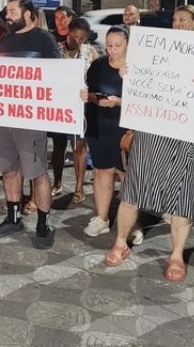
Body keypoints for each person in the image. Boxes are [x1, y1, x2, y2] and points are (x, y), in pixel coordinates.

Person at [104, 4, 194, 281]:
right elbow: (137, 95)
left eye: (184, 19)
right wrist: (130, 79)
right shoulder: (156, 53)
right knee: (132, 191)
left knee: (181, 199)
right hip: (150, 133)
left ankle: (176, 255)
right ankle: (121, 242)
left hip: (184, 141)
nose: (178, 23)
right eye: (175, 18)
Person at [0, 0, 60, 249]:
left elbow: (58, 75)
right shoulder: (4, 41)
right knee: (9, 169)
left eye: (13, 11)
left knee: (37, 171)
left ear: (28, 14)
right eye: (7, 12)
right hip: (4, 116)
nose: (8, 16)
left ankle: (43, 224)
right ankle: (13, 218)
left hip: (32, 117)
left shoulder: (44, 39)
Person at [80, 26, 128, 237]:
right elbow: (88, 89)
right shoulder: (98, 65)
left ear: (128, 45)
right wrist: (88, 96)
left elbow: (143, 101)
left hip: (124, 128)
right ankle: (102, 218)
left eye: (118, 45)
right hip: (98, 124)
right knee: (101, 172)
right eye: (109, 45)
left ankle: (131, 224)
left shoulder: (135, 69)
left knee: (126, 175)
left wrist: (118, 102)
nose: (112, 50)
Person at [51, 18, 98, 202]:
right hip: (60, 104)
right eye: (74, 36)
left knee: (79, 146)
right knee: (59, 146)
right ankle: (57, 182)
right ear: (67, 32)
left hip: (80, 105)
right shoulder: (57, 50)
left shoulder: (89, 52)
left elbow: (95, 77)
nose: (77, 40)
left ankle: (79, 187)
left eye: (81, 38)